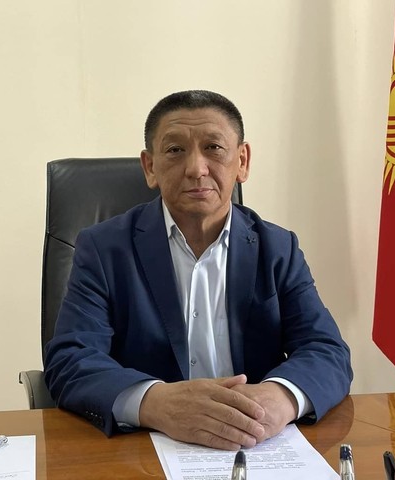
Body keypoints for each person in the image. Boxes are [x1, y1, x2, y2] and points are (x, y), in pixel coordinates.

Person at [44, 90, 353, 451]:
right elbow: (71, 359)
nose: (196, 168)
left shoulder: (277, 248)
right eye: (175, 150)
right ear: (150, 167)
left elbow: (326, 350)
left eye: (213, 148)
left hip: (255, 445)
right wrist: (154, 402)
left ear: (242, 161)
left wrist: (280, 397)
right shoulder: (103, 248)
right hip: (146, 449)